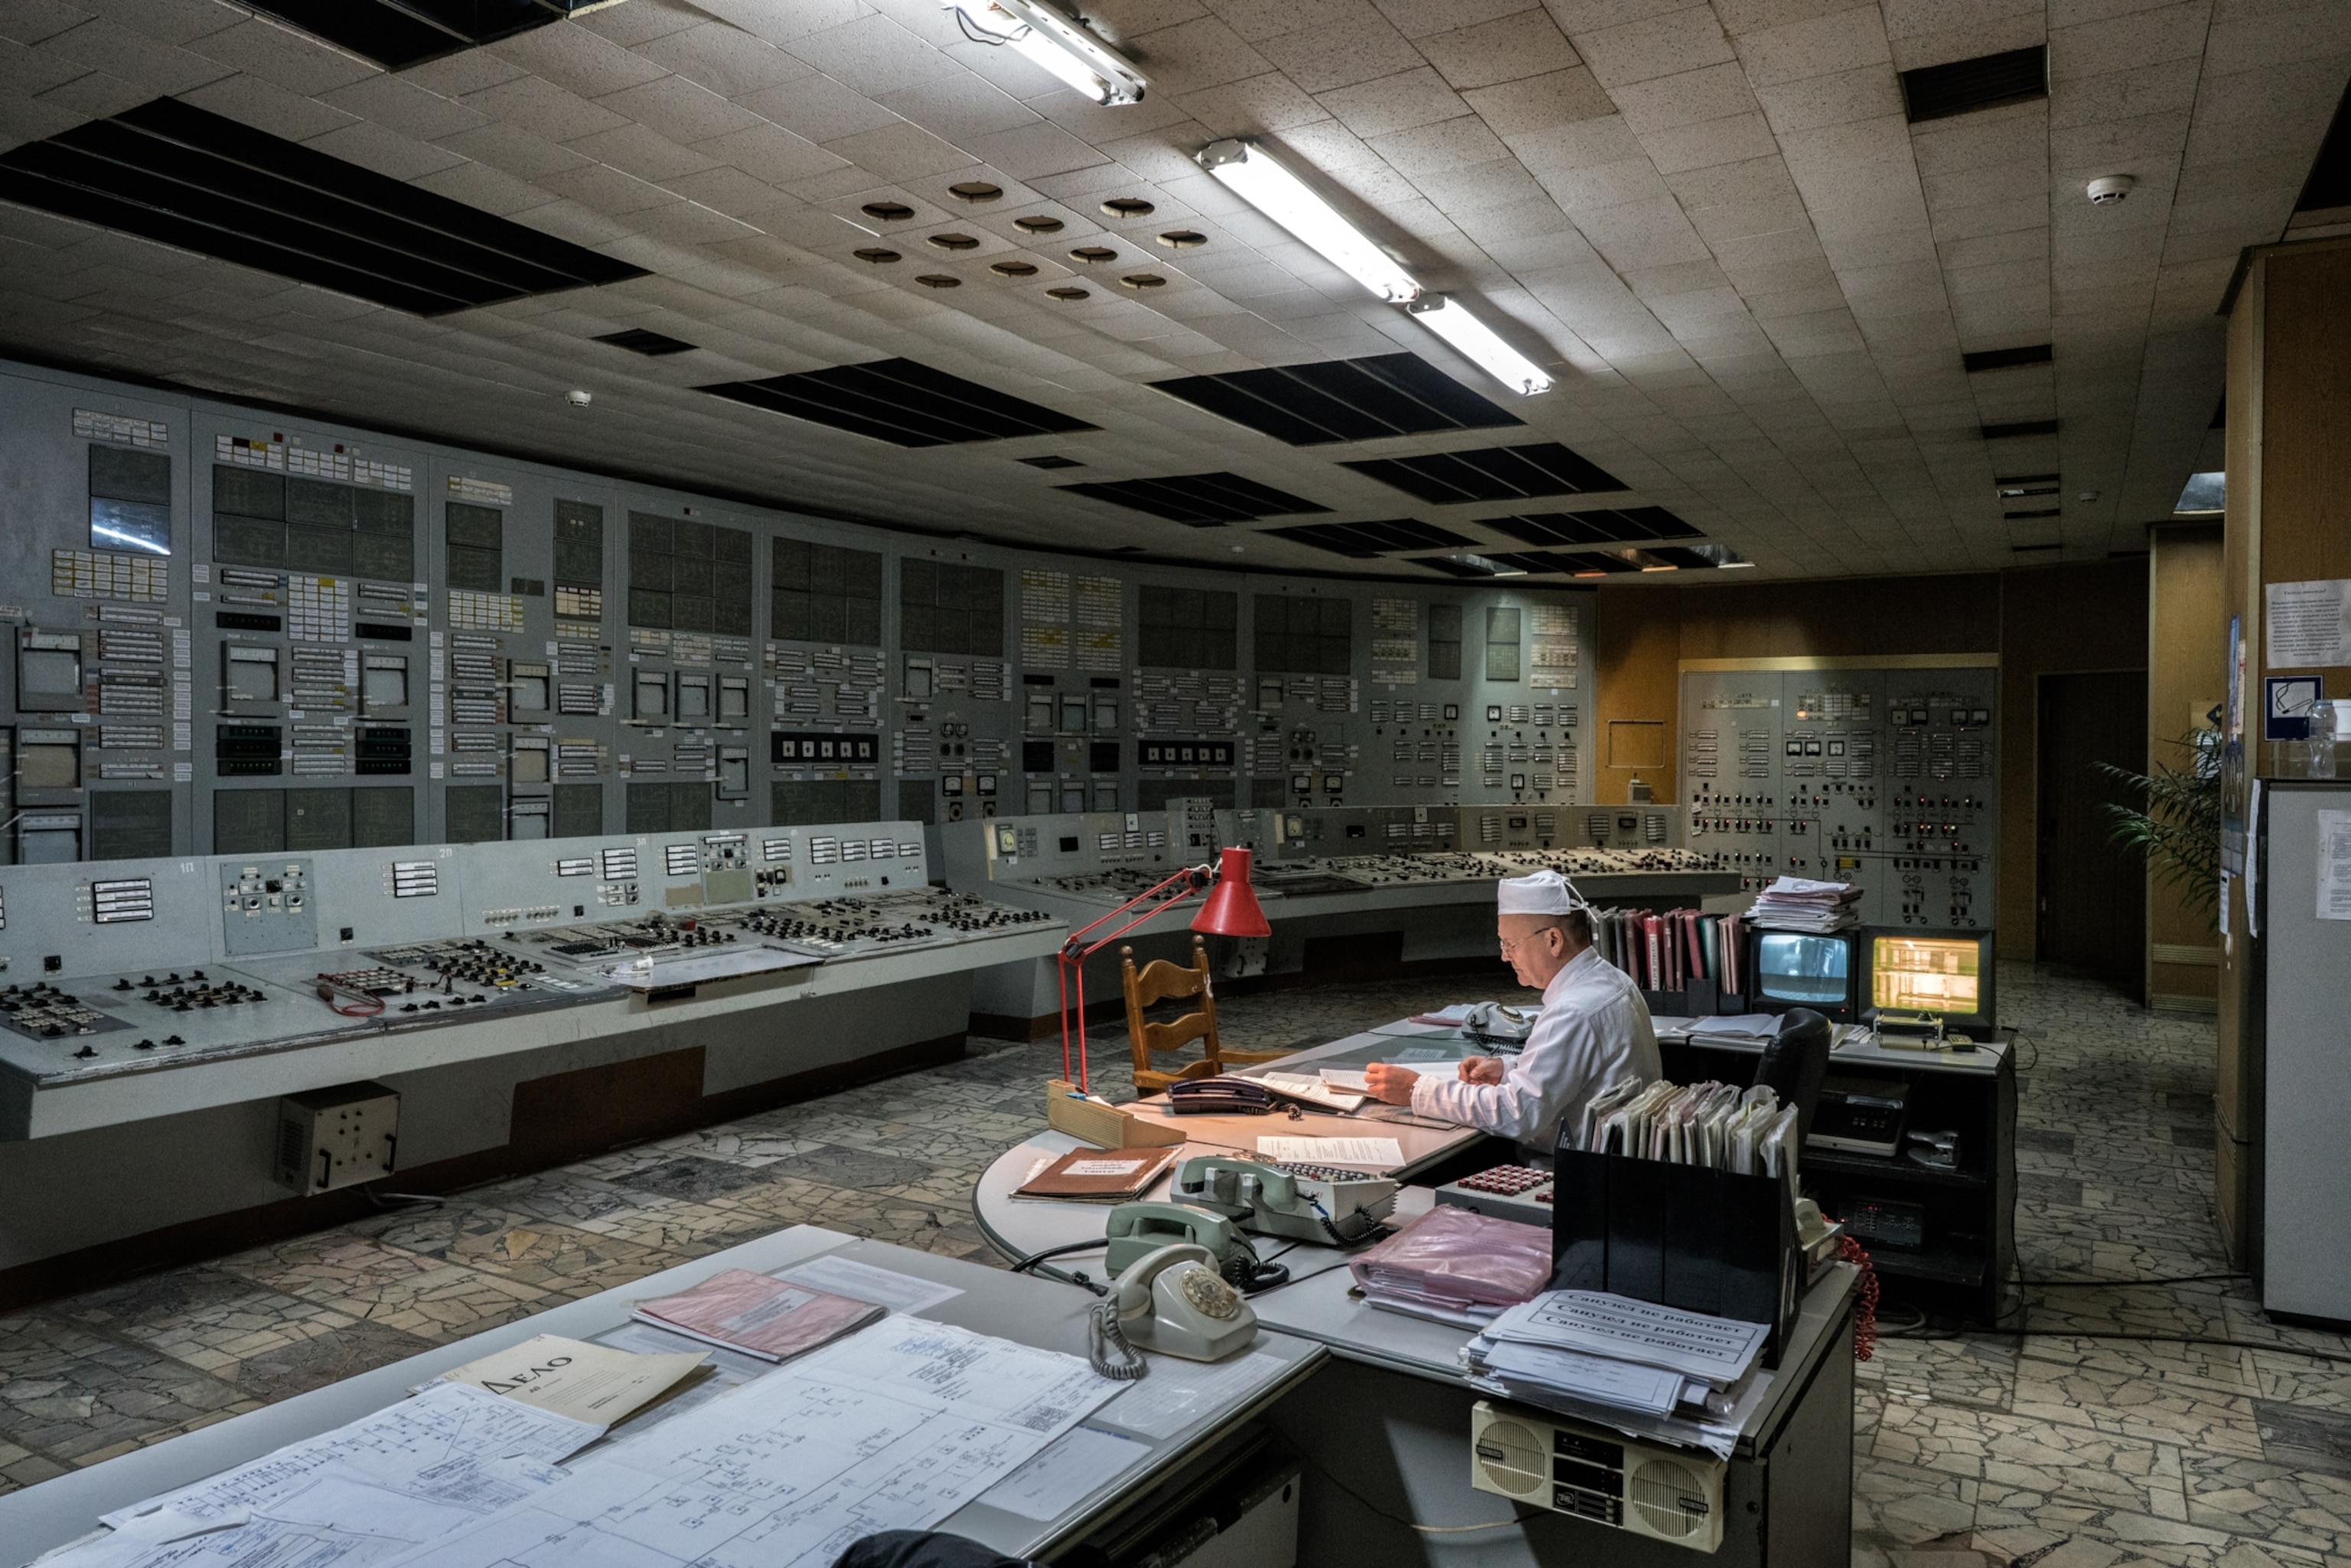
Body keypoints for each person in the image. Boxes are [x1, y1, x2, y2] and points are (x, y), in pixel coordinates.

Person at [1364, 869, 1659, 1157]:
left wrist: (1417, 1090)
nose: (1505, 956)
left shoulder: (1571, 1010)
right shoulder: (1612, 980)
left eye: (1510, 944)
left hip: (1568, 1174)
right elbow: (1577, 1066)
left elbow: (1518, 1113)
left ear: (1553, 940)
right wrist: (1509, 1069)